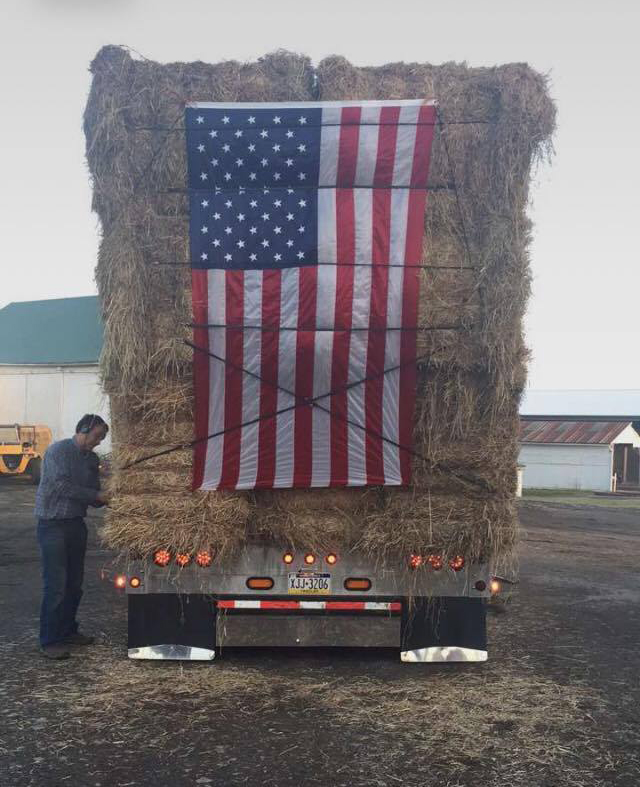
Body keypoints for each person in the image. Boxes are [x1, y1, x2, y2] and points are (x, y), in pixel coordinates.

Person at [35, 414, 110, 660]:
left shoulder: (92, 459)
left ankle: (68, 630)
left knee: (74, 585)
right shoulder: (57, 451)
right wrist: (96, 496)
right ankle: (49, 640)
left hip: (76, 524)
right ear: (84, 429)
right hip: (52, 525)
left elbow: (93, 494)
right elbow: (61, 486)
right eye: (97, 436)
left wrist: (109, 497)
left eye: (102, 438)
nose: (98, 442)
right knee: (56, 585)